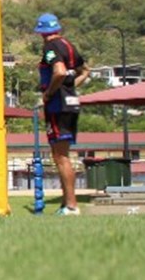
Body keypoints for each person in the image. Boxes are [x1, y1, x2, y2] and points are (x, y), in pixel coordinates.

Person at [36, 13, 88, 216]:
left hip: (58, 106)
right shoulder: (69, 46)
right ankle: (67, 203)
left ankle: (71, 206)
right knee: (62, 155)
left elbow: (58, 71)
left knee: (60, 156)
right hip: (71, 104)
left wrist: (49, 94)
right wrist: (70, 87)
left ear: (42, 33)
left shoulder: (51, 47)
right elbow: (85, 71)